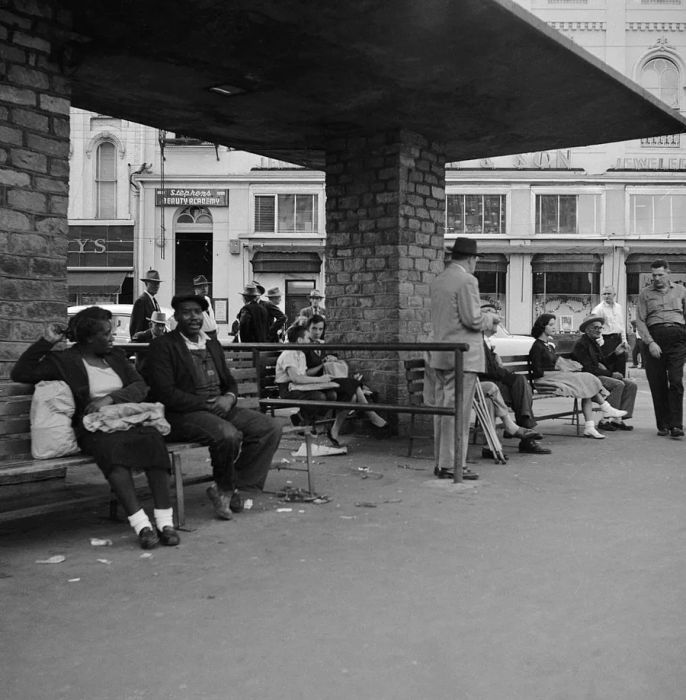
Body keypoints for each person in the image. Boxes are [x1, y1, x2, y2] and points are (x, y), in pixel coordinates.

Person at [11, 307, 179, 550]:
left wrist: (110, 399)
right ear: (89, 338)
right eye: (107, 334)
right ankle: (142, 525)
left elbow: (140, 385)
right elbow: (20, 373)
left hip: (126, 419)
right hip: (94, 427)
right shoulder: (64, 361)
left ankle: (165, 523)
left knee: (153, 441)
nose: (113, 337)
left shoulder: (116, 357)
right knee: (113, 452)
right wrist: (46, 341)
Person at [146, 294, 281, 519]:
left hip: (220, 408)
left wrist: (229, 397)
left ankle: (234, 485)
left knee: (270, 427)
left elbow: (229, 382)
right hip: (183, 413)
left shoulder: (212, 344)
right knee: (228, 435)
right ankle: (226, 489)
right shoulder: (163, 346)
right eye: (187, 312)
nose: (193, 317)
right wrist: (206, 404)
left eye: (197, 312)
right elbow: (164, 392)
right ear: (177, 316)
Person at [429, 237, 500, 480]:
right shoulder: (468, 280)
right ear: (471, 259)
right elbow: (472, 319)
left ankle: (442, 462)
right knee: (459, 412)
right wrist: (491, 318)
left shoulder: (438, 281)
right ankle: (452, 465)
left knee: (443, 412)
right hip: (462, 357)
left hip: (440, 355)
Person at [529, 313, 627, 439]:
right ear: (543, 327)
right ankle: (606, 409)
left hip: (554, 377)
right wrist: (561, 370)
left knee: (586, 382)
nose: (554, 327)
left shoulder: (547, 345)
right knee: (586, 378)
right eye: (551, 325)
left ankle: (590, 427)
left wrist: (565, 367)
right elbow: (537, 372)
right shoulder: (537, 346)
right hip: (545, 380)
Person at [479, 303, 551, 455]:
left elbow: (490, 367)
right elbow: (488, 370)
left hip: (490, 383)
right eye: (495, 321)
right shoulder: (477, 339)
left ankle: (520, 432)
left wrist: (495, 359)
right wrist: (506, 373)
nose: (497, 324)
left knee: (521, 385)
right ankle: (526, 437)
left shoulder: (483, 340)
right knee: (520, 384)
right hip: (483, 385)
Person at [302, 314, 389, 438]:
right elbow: (304, 373)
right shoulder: (303, 348)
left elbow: (328, 364)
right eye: (314, 329)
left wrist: (332, 359)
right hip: (316, 383)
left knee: (352, 397)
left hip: (329, 380)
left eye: (320, 329)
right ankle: (371, 415)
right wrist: (322, 365)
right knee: (353, 385)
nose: (317, 332)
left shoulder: (322, 345)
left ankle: (334, 432)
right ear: (308, 329)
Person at [636, 259, 686, 439]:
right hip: (655, 338)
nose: (657, 278)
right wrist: (650, 343)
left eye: (660, 275)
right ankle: (663, 424)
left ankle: (676, 425)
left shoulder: (681, 291)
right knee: (658, 384)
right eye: (654, 275)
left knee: (676, 381)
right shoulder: (645, 294)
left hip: (678, 338)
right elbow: (640, 320)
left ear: (668, 273)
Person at [572, 314, 637, 431]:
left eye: (600, 328)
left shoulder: (594, 343)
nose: (598, 330)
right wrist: (611, 374)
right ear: (587, 329)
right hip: (588, 378)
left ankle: (618, 419)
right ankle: (605, 420)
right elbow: (589, 369)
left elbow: (603, 362)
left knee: (631, 385)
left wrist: (616, 353)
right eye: (595, 328)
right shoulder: (582, 344)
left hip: (597, 375)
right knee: (618, 384)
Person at [591, 286, 628, 376]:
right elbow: (594, 327)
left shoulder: (619, 307)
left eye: (609, 293)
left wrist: (624, 340)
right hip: (606, 341)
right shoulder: (598, 309)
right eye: (604, 294)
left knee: (620, 368)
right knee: (609, 368)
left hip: (618, 340)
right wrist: (600, 341)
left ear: (614, 295)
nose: (606, 296)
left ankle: (622, 387)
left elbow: (621, 324)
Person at [132, 310, 168, 376]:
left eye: (162, 325)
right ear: (151, 324)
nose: (160, 328)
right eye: (157, 325)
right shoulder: (141, 337)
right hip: (143, 376)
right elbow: (127, 351)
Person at [130, 269, 162, 339]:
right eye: (153, 283)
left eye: (158, 283)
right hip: (144, 346)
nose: (156, 286)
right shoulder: (141, 301)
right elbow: (136, 331)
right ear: (146, 283)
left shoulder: (155, 302)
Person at [192, 274, 218, 339]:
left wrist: (216, 328)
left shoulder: (207, 299)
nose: (204, 288)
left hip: (213, 335)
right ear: (195, 288)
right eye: (200, 286)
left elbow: (211, 317)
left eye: (206, 285)